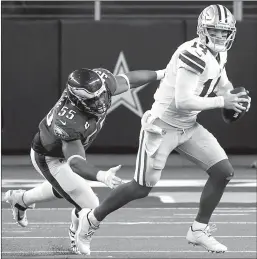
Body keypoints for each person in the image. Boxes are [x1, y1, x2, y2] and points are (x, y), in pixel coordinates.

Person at [76, 4, 252, 255]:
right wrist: (223, 102)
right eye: (214, 31)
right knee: (141, 187)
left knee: (223, 171)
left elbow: (221, 82)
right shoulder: (192, 54)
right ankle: (91, 219)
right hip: (162, 126)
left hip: (189, 125)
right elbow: (183, 100)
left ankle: (198, 230)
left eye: (225, 32)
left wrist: (231, 95)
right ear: (203, 30)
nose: (220, 37)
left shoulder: (219, 54)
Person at [4, 67, 165, 255]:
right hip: (50, 157)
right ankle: (75, 229)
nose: (99, 101)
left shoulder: (102, 84)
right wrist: (102, 176)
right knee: (90, 205)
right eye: (92, 99)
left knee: (64, 188)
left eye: (100, 95)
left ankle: (20, 200)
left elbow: (129, 80)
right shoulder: (68, 121)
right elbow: (75, 162)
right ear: (76, 99)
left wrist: (162, 73)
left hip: (63, 153)